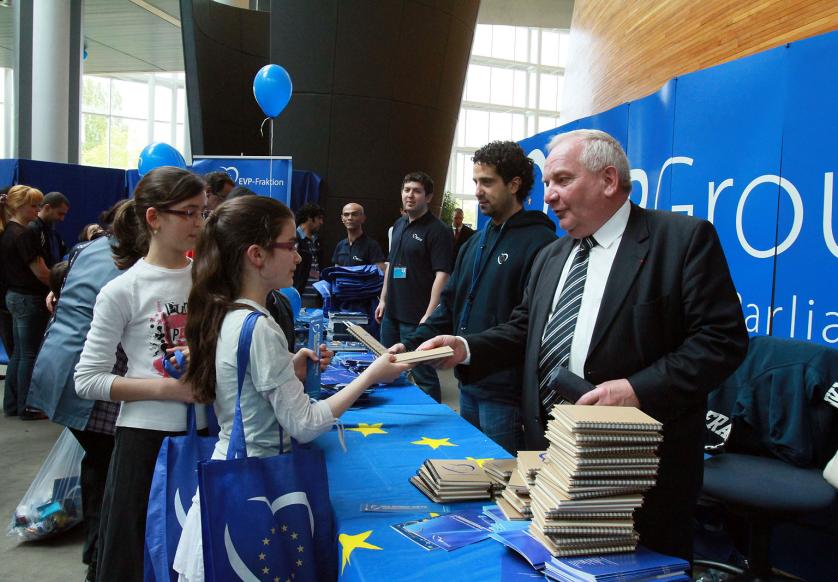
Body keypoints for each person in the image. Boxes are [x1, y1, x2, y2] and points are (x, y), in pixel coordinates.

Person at [418, 129, 749, 561]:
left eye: (562, 180)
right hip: (549, 458)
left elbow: (721, 340)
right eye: (548, 183)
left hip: (637, 473)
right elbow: (524, 329)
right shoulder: (552, 256)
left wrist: (636, 390)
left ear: (608, 180)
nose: (549, 196)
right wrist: (467, 346)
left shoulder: (682, 240)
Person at [173, 195, 409, 582]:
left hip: (235, 483)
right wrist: (370, 376)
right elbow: (305, 424)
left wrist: (288, 366)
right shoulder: (260, 327)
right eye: (290, 246)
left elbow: (246, 384)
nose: (298, 257)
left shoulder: (230, 313)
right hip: (254, 493)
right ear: (256, 255)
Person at [74, 167, 209, 582]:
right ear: (154, 218)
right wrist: (168, 390)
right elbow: (88, 379)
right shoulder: (122, 290)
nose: (198, 223)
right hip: (144, 443)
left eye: (203, 212)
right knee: (138, 559)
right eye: (188, 212)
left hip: (205, 434)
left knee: (194, 558)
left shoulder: (208, 281)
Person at [391, 141, 556, 453]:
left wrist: (466, 349)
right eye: (476, 182)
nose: (478, 191)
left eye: (487, 182)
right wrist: (409, 345)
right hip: (468, 385)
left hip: (506, 395)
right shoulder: (472, 244)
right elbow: (448, 308)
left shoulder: (542, 244)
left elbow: (528, 326)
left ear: (514, 184)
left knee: (502, 477)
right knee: (474, 470)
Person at [375, 171, 453, 402]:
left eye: (417, 191)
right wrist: (383, 300)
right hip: (392, 314)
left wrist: (430, 314)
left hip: (417, 317)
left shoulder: (438, 231)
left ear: (428, 197)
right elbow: (391, 266)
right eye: (406, 190)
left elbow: (442, 275)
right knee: (388, 366)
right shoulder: (398, 225)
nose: (410, 195)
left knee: (423, 374)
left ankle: (434, 415)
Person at [0, 185, 50, 420]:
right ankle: (27, 406)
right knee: (28, 354)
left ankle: (13, 404)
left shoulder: (8, 232)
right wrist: (57, 285)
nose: (37, 210)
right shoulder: (24, 234)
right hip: (28, 297)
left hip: (14, 296)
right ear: (19, 207)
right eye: (34, 206)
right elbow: (40, 272)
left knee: (20, 353)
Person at [332, 202, 386, 270]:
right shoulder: (340, 245)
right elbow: (336, 271)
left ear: (363, 218)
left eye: (354, 214)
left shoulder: (372, 245)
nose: (350, 218)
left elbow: (381, 272)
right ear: (342, 218)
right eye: (346, 214)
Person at [31, 190, 70, 268]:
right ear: (47, 208)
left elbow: (66, 253)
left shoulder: (53, 233)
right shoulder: (33, 229)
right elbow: (39, 270)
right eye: (60, 214)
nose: (62, 219)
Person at [292, 203, 325, 295]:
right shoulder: (293, 238)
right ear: (309, 218)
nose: (321, 222)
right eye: (319, 218)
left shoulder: (318, 241)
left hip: (316, 296)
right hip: (298, 295)